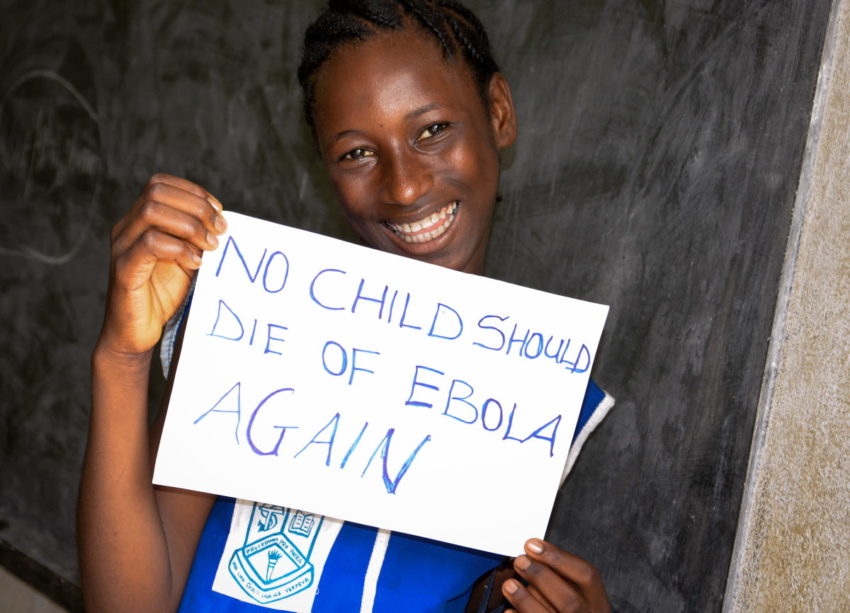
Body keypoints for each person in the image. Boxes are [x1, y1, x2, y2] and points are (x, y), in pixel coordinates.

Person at [78, 1, 614, 612]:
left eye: (433, 129)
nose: (405, 186)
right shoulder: (251, 329)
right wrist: (121, 359)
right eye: (357, 152)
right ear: (323, 166)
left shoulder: (538, 405)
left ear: (497, 112)